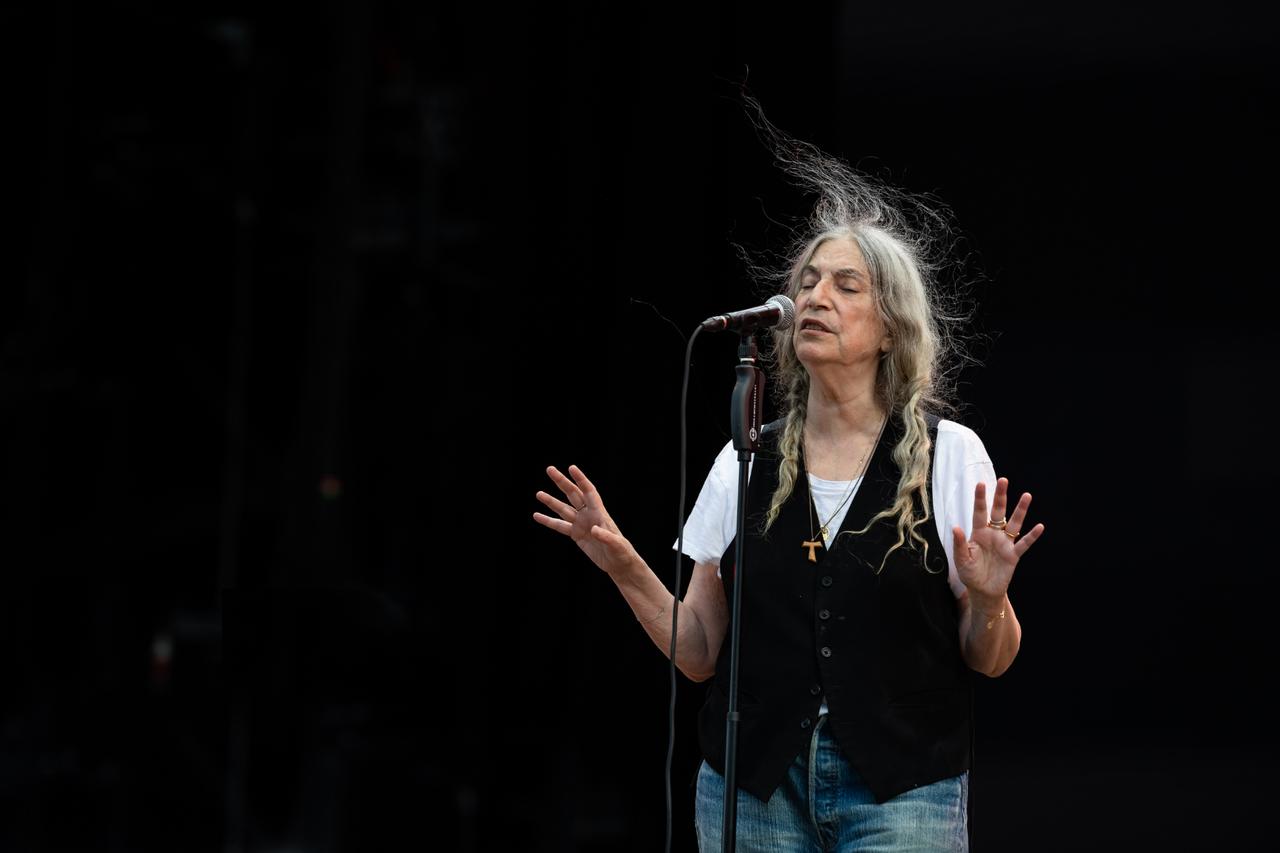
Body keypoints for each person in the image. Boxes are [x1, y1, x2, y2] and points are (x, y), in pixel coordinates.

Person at [532, 122, 1044, 852]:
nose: (814, 296)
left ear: (891, 327)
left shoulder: (947, 455)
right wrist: (622, 562)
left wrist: (990, 598)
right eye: (805, 282)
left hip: (901, 793)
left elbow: (991, 657)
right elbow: (702, 648)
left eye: (845, 284)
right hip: (757, 792)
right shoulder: (745, 458)